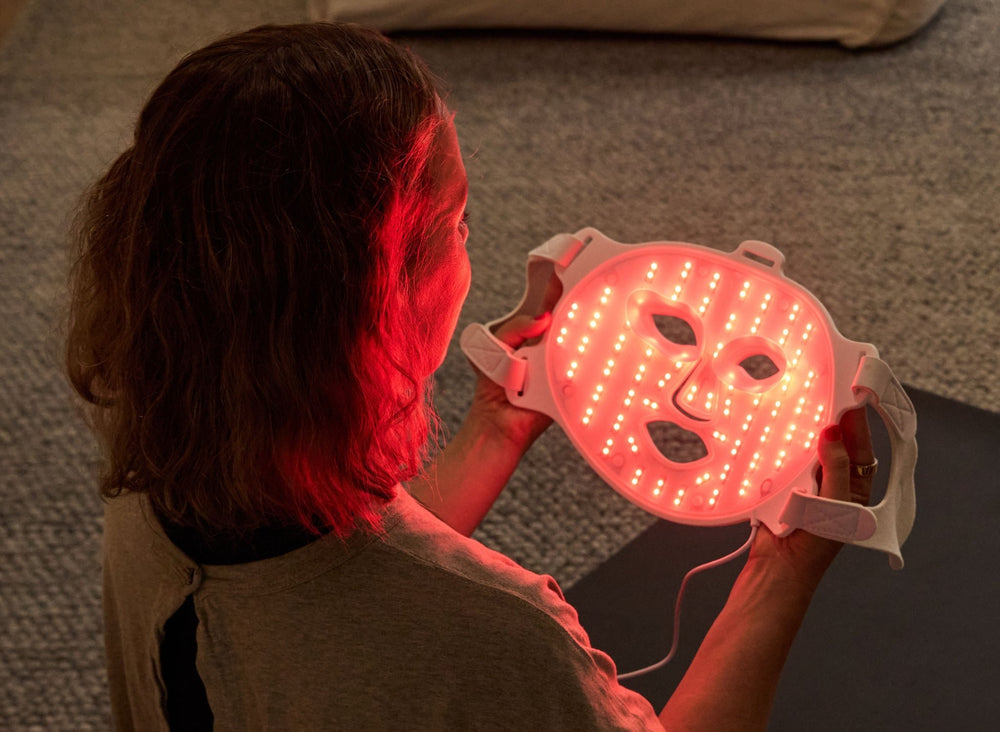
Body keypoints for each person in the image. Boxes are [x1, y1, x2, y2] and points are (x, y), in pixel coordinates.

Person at [65, 22, 876, 731]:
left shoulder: (145, 485)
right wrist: (781, 573)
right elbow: (400, 623)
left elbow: (339, 602)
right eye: (458, 223)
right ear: (377, 303)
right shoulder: (503, 639)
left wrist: (493, 428)